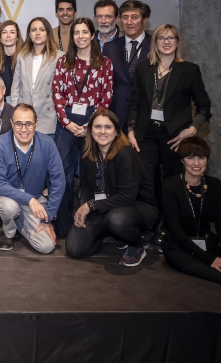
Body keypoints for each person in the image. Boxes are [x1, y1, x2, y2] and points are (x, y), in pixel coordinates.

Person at [127, 24, 211, 206]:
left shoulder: (189, 70)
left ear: (177, 42)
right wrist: (131, 130)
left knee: (173, 179)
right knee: (146, 178)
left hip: (175, 135)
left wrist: (192, 129)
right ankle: (152, 220)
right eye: (161, 38)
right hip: (145, 133)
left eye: (170, 38)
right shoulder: (143, 69)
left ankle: (171, 222)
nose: (166, 42)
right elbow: (135, 102)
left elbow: (204, 106)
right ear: (155, 43)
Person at [66, 109, 157, 266]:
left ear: (116, 131)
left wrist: (89, 206)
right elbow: (87, 189)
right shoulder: (87, 153)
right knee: (75, 249)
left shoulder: (126, 154)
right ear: (90, 130)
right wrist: (84, 208)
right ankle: (113, 234)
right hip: (104, 208)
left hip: (136, 207)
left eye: (108, 127)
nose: (102, 132)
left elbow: (126, 197)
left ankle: (136, 245)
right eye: (97, 127)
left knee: (117, 219)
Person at [161, 137, 221, 298]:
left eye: (201, 158)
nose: (196, 163)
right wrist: (210, 260)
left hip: (207, 244)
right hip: (180, 248)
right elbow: (175, 231)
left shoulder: (215, 185)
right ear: (182, 160)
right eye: (190, 157)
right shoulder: (170, 186)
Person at [51, 17, 114, 235]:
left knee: (91, 174)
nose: (80, 36)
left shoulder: (104, 63)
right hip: (66, 121)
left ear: (92, 34)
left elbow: (106, 97)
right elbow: (57, 93)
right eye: (76, 33)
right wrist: (67, 123)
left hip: (94, 121)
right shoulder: (63, 61)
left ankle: (91, 223)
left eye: (84, 32)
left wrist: (91, 125)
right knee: (63, 175)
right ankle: (63, 224)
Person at [0, 104, 64, 254]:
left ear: (36, 123)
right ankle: (9, 232)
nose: (24, 129)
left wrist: (47, 219)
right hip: (6, 194)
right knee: (10, 207)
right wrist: (29, 199)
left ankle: (19, 222)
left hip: (34, 198)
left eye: (29, 123)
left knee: (46, 246)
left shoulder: (47, 144)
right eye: (18, 124)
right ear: (11, 123)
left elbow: (58, 181)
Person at [10, 17, 63, 138]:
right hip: (23, 117)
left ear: (48, 33)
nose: (37, 33)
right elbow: (16, 88)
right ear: (29, 34)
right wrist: (14, 112)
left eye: (42, 29)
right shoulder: (22, 57)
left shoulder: (59, 57)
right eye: (33, 30)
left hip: (47, 115)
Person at [105, 0, 152, 128]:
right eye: (125, 17)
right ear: (119, 19)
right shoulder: (109, 48)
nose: (129, 22)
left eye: (135, 17)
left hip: (146, 115)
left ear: (145, 20)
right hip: (117, 115)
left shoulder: (155, 46)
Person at [0, 20, 23, 99]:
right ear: (0, 37)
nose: (8, 36)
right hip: (1, 101)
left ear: (17, 37)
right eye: (4, 32)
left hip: (22, 100)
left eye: (12, 32)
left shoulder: (25, 57)